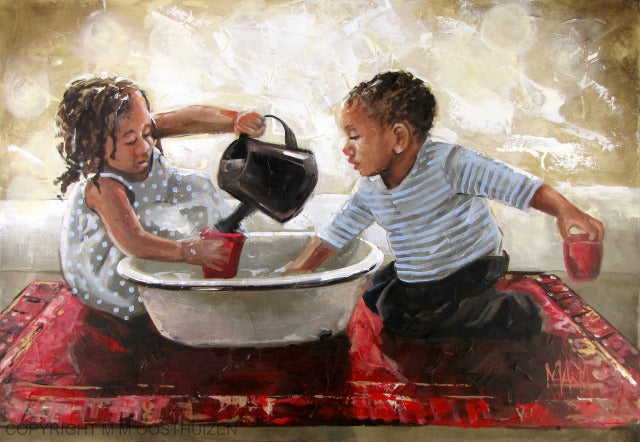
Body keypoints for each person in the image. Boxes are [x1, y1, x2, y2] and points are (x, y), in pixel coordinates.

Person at [286, 71, 604, 340]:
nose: (346, 149)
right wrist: (297, 270)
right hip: (425, 269)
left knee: (402, 317)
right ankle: (436, 299)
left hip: (472, 266)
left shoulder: (449, 164)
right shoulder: (370, 188)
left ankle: (512, 312)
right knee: (373, 293)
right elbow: (338, 231)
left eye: (354, 136)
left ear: (398, 138)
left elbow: (515, 185)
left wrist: (566, 210)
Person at [55, 76, 266, 322]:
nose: (145, 147)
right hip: (117, 266)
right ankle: (185, 277)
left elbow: (190, 117)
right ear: (95, 149)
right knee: (158, 221)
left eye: (148, 132)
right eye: (130, 141)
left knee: (198, 185)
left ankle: (222, 254)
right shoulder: (103, 185)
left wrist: (235, 119)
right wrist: (187, 251)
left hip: (150, 219)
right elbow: (133, 240)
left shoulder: (134, 126)